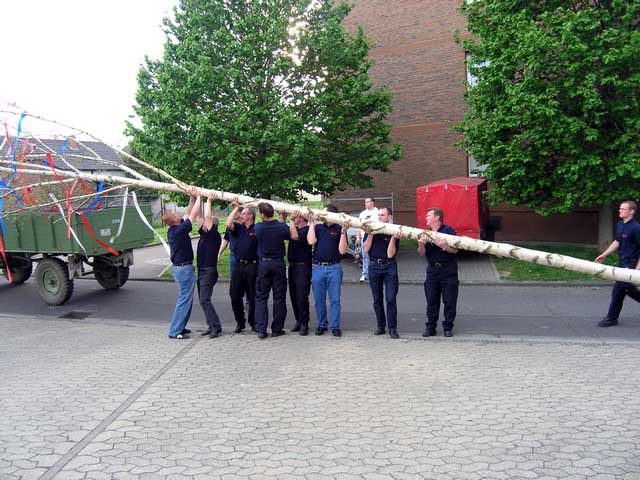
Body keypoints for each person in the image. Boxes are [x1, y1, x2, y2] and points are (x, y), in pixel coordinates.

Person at [253, 203, 298, 339]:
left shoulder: (258, 227)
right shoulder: (280, 227)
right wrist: (286, 219)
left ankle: (261, 329)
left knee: (261, 297)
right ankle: (277, 329)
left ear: (262, 214)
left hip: (264, 264)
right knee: (279, 298)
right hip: (278, 264)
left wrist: (281, 220)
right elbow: (290, 235)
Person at [595, 200, 640, 327]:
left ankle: (611, 318)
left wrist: (638, 267)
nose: (620, 210)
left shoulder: (636, 228)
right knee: (628, 288)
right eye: (620, 208)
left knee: (619, 289)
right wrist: (604, 254)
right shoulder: (620, 224)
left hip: (631, 263)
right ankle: (612, 317)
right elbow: (617, 241)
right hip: (622, 261)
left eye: (623, 209)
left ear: (632, 211)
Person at [163, 193, 201, 339]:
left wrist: (192, 198)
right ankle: (175, 331)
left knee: (186, 299)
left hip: (182, 268)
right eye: (175, 214)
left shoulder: (176, 228)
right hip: (183, 269)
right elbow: (193, 215)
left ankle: (180, 326)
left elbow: (188, 212)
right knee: (184, 299)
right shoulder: (179, 230)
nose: (179, 214)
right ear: (175, 220)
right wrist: (199, 197)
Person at [307, 204, 349, 337]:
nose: (321, 215)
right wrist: (312, 224)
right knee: (319, 299)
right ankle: (322, 324)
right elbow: (310, 241)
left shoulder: (338, 229)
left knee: (335, 299)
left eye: (324, 213)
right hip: (318, 267)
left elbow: (342, 250)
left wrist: (343, 232)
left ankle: (335, 326)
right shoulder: (318, 228)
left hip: (334, 268)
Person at [418, 207, 458, 338]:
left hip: (448, 270)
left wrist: (445, 247)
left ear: (437, 217)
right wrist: (421, 244)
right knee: (431, 300)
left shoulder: (449, 231)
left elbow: (456, 250)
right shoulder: (425, 233)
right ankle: (430, 327)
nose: (426, 218)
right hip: (432, 271)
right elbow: (421, 253)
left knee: (449, 300)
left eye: (429, 215)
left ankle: (448, 327)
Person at [363, 207, 402, 339]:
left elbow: (390, 254)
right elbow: (365, 249)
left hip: (389, 266)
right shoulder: (371, 229)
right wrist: (370, 235)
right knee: (377, 299)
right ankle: (381, 326)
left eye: (383, 215)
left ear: (389, 217)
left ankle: (392, 328)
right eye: (378, 215)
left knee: (391, 299)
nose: (380, 217)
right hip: (374, 266)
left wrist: (392, 238)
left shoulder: (394, 231)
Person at [226, 200, 258, 333]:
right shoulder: (238, 228)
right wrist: (236, 208)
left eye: (243, 213)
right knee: (234, 295)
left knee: (252, 297)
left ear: (250, 216)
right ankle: (240, 321)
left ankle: (253, 322)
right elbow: (228, 223)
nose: (241, 215)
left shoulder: (257, 229)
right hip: (238, 266)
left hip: (252, 266)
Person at [197, 193, 223, 338]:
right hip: (201, 271)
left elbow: (206, 218)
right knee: (203, 300)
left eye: (206, 224)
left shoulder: (213, 235)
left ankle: (216, 327)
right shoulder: (204, 234)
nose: (203, 225)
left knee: (204, 300)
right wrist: (197, 198)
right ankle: (210, 325)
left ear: (211, 225)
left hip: (208, 272)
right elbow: (201, 218)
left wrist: (209, 200)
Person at [286, 214, 313, 336]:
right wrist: (283, 216)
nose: (294, 218)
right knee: (293, 295)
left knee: (302, 296)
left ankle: (304, 323)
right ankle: (298, 320)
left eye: (297, 217)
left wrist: (291, 220)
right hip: (292, 266)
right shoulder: (294, 228)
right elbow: (284, 232)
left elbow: (295, 237)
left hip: (303, 266)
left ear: (302, 219)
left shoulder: (306, 230)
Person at [356, 197, 379, 283]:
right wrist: (358, 237)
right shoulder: (362, 213)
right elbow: (359, 226)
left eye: (367, 202)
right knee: (365, 256)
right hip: (364, 236)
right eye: (365, 202)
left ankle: (375, 274)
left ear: (372, 203)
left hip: (375, 237)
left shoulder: (377, 212)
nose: (365, 204)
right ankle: (365, 274)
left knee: (374, 255)